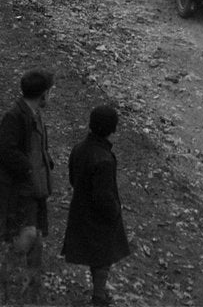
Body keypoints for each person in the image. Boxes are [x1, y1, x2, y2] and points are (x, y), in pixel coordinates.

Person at [0, 68, 56, 303]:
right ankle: (4, 281)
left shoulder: (33, 115)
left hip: (31, 189)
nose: (50, 97)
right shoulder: (15, 116)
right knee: (25, 236)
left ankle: (29, 290)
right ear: (43, 94)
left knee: (35, 239)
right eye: (49, 92)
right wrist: (29, 168)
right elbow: (5, 151)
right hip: (16, 190)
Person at [62, 105, 130, 307]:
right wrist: (115, 211)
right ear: (113, 130)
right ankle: (99, 296)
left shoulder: (78, 149)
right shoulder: (105, 159)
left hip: (81, 210)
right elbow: (104, 196)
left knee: (96, 256)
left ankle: (99, 293)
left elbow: (73, 179)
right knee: (103, 257)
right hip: (99, 217)